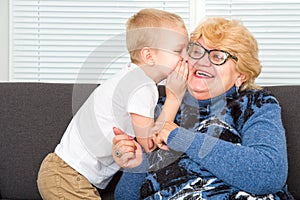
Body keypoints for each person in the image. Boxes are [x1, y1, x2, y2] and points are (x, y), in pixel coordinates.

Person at [112, 17, 294, 199]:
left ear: (241, 76)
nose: (202, 62)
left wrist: (180, 137)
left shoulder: (256, 104)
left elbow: (269, 174)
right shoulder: (161, 109)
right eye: (196, 51)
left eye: (218, 56)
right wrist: (135, 166)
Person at [37, 8, 189, 199]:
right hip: (67, 175)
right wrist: (174, 97)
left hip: (67, 174)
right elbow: (150, 145)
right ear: (149, 56)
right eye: (178, 50)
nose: (186, 57)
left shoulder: (131, 78)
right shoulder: (141, 86)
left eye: (187, 50)